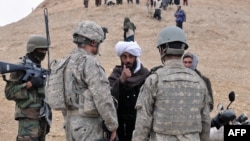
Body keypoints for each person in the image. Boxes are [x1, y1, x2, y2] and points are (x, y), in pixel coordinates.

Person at [132, 26, 211, 141]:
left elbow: (143, 124)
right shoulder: (199, 81)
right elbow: (206, 122)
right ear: (183, 49)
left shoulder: (154, 80)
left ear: (163, 49)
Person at [63, 21, 118, 141]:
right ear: (93, 42)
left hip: (70, 124)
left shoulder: (65, 62)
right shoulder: (90, 62)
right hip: (88, 127)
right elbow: (102, 97)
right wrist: (112, 125)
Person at [4, 35, 52, 141]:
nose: (44, 52)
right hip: (28, 119)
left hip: (42, 117)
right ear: (32, 49)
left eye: (45, 50)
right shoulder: (20, 67)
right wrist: (30, 84)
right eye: (41, 49)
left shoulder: (40, 69)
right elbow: (9, 93)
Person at [108, 41, 150, 141]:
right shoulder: (116, 74)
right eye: (124, 57)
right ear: (121, 58)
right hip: (120, 124)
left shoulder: (145, 75)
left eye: (131, 57)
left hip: (139, 124)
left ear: (135, 58)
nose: (128, 60)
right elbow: (108, 97)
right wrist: (121, 80)